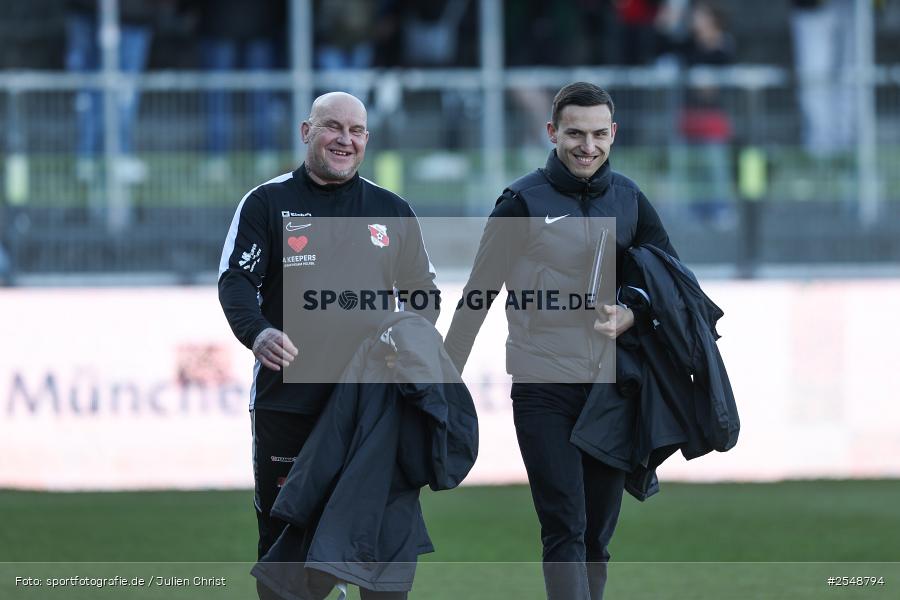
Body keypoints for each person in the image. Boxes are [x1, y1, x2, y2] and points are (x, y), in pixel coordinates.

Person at [444, 82, 679, 600]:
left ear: (613, 133)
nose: (587, 146)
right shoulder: (521, 202)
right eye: (574, 133)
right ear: (552, 132)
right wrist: (441, 376)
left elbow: (671, 279)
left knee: (596, 537)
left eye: (598, 134)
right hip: (542, 389)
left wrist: (634, 310)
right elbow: (477, 295)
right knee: (565, 526)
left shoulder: (630, 199)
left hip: (611, 391)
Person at [218, 91, 438, 600]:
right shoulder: (266, 202)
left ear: (367, 139)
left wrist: (405, 338)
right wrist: (258, 332)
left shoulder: (391, 210)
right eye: (333, 127)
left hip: (372, 409)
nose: (345, 139)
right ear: (306, 132)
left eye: (356, 130)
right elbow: (236, 281)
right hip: (289, 403)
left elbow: (423, 295)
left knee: (381, 553)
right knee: (284, 556)